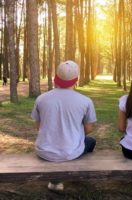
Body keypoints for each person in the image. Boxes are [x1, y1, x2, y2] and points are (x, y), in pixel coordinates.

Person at [31, 60, 97, 192]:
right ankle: (75, 174)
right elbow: (89, 129)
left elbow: (38, 127)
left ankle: (55, 181)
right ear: (76, 80)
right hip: (70, 152)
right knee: (90, 141)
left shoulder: (41, 99)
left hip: (44, 151)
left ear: (56, 77)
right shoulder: (85, 101)